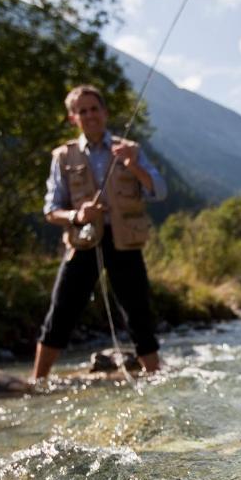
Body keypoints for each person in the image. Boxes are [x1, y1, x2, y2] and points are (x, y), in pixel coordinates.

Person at [32, 84, 167, 380]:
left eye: (95, 109)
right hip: (82, 243)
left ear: (105, 112)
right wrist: (77, 214)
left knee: (139, 315)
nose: (90, 115)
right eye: (83, 111)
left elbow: (159, 191)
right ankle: (37, 382)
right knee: (61, 311)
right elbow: (51, 209)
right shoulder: (62, 157)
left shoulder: (129, 149)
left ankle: (156, 379)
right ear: (73, 118)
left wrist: (133, 164)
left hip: (124, 242)